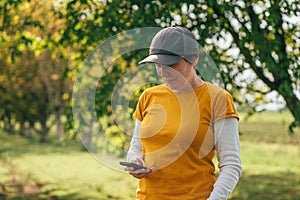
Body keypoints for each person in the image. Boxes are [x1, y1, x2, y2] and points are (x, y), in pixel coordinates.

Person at [123, 26, 242, 200]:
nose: (163, 72)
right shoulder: (148, 96)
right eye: (158, 65)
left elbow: (232, 165)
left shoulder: (218, 99)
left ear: (194, 59)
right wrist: (136, 161)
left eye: (172, 64)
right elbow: (136, 148)